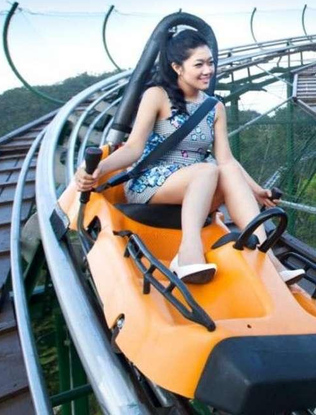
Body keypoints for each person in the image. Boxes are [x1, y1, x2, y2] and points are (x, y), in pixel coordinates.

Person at [75, 29, 303, 285]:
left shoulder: (214, 107)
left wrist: (257, 190)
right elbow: (133, 148)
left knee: (221, 169)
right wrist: (97, 168)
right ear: (177, 67)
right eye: (199, 64)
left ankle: (267, 256)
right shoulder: (157, 96)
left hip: (199, 186)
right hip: (153, 183)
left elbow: (227, 160)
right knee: (208, 170)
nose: (208, 70)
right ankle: (187, 253)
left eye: (210, 63)